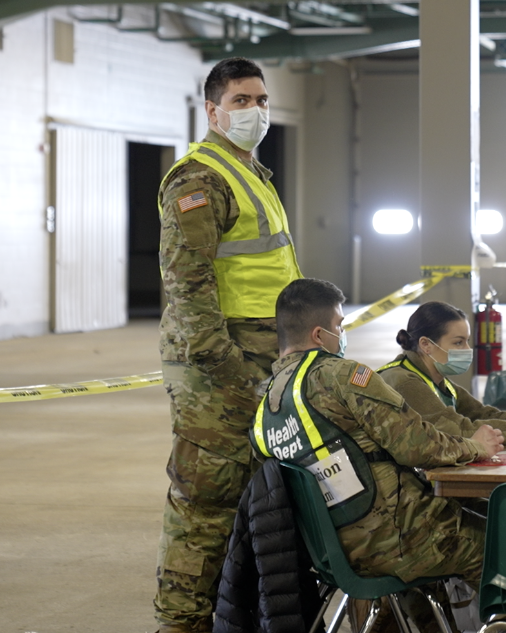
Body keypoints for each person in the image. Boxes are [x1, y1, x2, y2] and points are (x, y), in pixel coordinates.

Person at [154, 57, 302, 633]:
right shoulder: (200, 179)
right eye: (241, 101)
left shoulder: (250, 172)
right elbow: (187, 287)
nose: (255, 110)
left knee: (251, 496)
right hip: (222, 366)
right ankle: (181, 623)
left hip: (260, 357)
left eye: (262, 100)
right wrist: (230, 369)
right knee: (205, 505)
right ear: (212, 110)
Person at [254, 278, 505, 588]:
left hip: (328, 546)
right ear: (319, 335)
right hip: (396, 539)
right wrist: (475, 446)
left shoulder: (268, 400)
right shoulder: (343, 376)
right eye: (340, 325)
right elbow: (416, 446)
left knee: (484, 512)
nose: (342, 334)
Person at [379, 301, 506, 443]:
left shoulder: (439, 382)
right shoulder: (405, 382)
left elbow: (486, 414)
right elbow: (463, 432)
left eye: (467, 341)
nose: (467, 350)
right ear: (426, 344)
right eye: (458, 342)